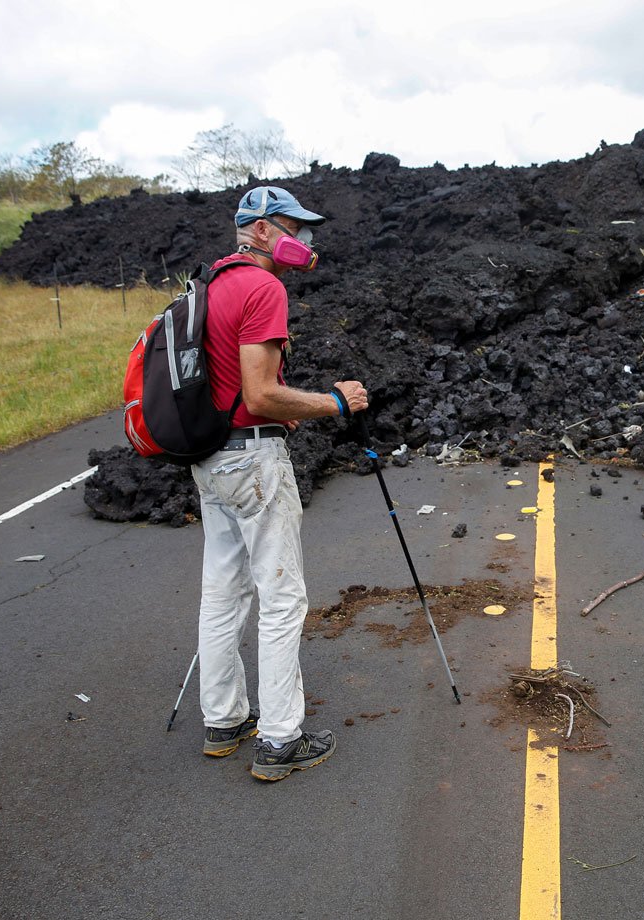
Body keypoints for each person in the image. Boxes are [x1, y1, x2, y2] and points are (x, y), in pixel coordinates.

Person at [192, 185, 368, 782]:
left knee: (222, 592)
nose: (306, 240)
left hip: (211, 460)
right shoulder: (263, 286)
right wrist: (334, 403)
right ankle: (279, 740)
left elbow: (231, 388)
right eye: (295, 226)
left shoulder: (210, 284)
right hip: (254, 465)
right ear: (262, 230)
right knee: (282, 598)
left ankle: (223, 722)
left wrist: (278, 407)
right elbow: (259, 393)